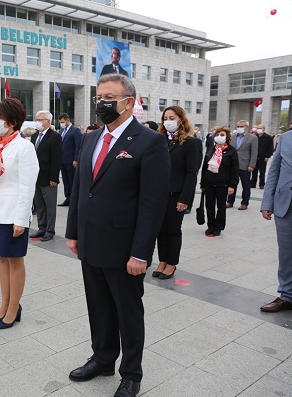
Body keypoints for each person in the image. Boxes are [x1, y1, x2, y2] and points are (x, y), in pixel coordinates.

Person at [65, 74, 169, 397]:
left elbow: (152, 204)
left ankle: (131, 373)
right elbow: (81, 188)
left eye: (109, 97)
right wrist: (72, 231)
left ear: (128, 101)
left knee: (127, 311)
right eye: (99, 97)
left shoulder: (149, 142)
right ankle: (103, 357)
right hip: (90, 241)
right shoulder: (91, 138)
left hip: (124, 249)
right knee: (97, 305)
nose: (102, 103)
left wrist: (141, 252)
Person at [0, 98, 39, 329]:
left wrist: (21, 219)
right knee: (1, 258)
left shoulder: (24, 147)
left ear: (12, 122)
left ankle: (14, 307)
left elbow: (28, 186)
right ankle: (4, 304)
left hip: (13, 214)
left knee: (14, 260)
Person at [153, 106, 202, 279]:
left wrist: (185, 198)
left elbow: (191, 173)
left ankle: (171, 263)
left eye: (172, 118)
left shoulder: (191, 143)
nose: (168, 122)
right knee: (160, 229)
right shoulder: (160, 140)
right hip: (159, 193)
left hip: (176, 194)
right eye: (165, 118)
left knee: (173, 229)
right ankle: (162, 260)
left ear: (180, 119)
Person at [260, 129, 292, 313]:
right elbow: (274, 172)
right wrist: (267, 202)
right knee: (286, 253)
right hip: (285, 204)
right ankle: (286, 296)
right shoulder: (286, 138)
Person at [200, 126, 239, 236]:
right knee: (209, 205)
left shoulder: (231, 151)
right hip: (209, 182)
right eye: (217, 135)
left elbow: (235, 169)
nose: (219, 137)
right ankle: (210, 225)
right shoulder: (211, 149)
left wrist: (232, 185)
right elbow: (204, 167)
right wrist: (202, 183)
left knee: (221, 206)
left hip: (223, 183)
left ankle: (219, 226)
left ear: (227, 137)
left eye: (222, 135)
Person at [30, 110, 62, 241]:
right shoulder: (34, 136)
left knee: (49, 206)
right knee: (39, 205)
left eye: (40, 120)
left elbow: (56, 159)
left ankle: (50, 230)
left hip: (48, 179)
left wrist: (54, 178)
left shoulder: (54, 137)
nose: (38, 122)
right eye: (37, 119)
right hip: (36, 178)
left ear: (48, 122)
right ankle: (41, 228)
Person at [226, 120, 258, 210]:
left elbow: (254, 153)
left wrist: (252, 165)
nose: (239, 128)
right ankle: (230, 201)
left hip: (245, 165)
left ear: (246, 127)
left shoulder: (252, 138)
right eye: (238, 126)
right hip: (233, 165)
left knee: (246, 185)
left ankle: (244, 203)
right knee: (232, 184)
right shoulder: (232, 137)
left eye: (242, 126)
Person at [57, 113, 82, 207]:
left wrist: (76, 159)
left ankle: (74, 199)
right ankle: (67, 198)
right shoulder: (62, 130)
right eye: (60, 122)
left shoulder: (75, 130)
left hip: (71, 160)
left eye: (63, 122)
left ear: (68, 120)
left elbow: (78, 145)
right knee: (65, 181)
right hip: (62, 160)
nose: (61, 124)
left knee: (72, 181)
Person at [250, 124, 273, 189]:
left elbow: (270, 148)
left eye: (260, 128)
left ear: (264, 129)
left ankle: (262, 184)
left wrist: (267, 156)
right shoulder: (254, 137)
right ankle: (253, 183)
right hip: (255, 157)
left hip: (263, 157)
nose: (259, 129)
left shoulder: (268, 137)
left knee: (262, 172)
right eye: (258, 128)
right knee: (254, 171)